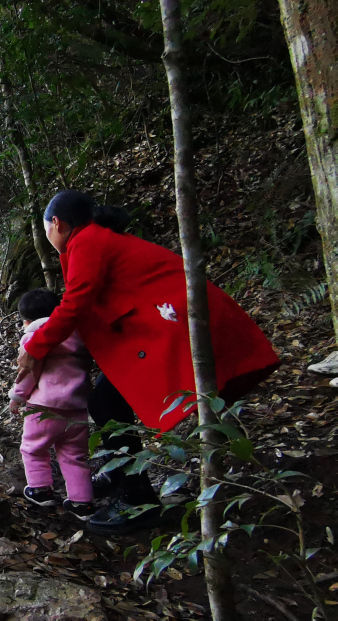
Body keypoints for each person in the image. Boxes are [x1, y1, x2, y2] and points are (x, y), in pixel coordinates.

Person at [16, 190, 279, 534]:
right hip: (165, 323)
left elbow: (77, 301)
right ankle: (120, 471)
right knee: (105, 400)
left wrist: (35, 346)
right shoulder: (91, 241)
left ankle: (137, 498)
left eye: (46, 227)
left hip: (174, 321)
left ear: (56, 223)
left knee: (105, 401)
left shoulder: (87, 241)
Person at [9, 288, 94, 521]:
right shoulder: (77, 334)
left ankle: (40, 489)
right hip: (77, 406)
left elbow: (27, 373)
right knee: (74, 454)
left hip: (43, 407)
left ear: (26, 321)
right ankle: (82, 502)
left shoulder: (33, 338)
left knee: (33, 448)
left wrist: (17, 397)